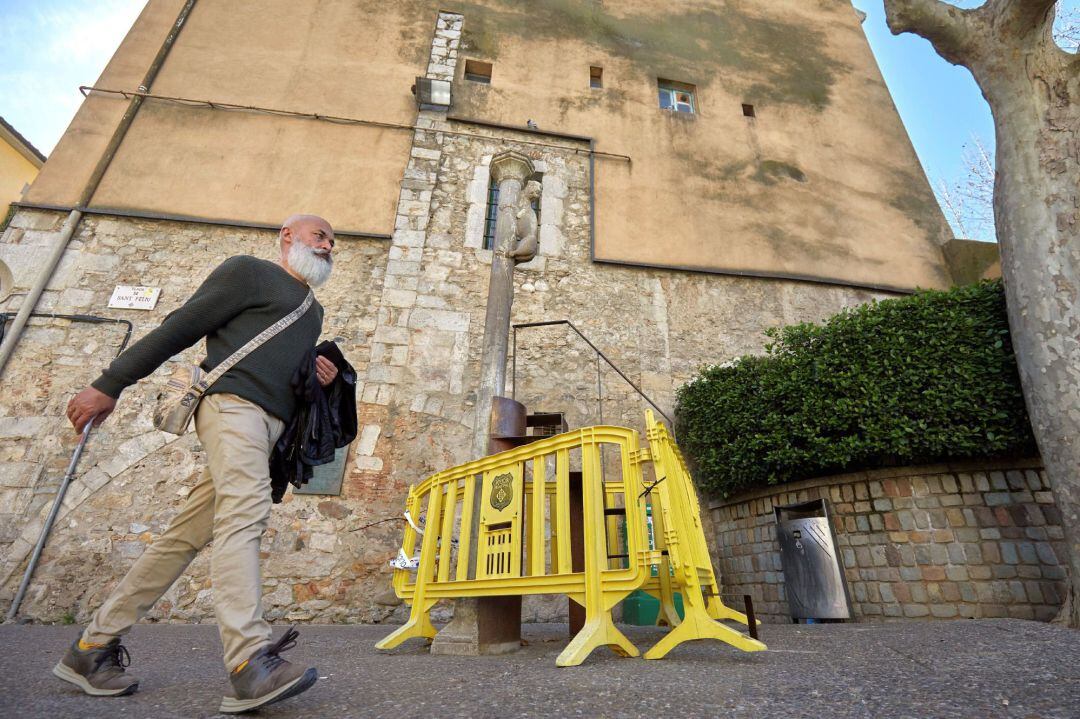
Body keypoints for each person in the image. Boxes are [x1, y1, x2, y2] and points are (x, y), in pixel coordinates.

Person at [55, 214, 340, 714]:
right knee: (245, 514)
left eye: (332, 241)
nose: (328, 244)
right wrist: (110, 382)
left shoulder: (312, 310)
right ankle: (249, 661)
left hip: (268, 430)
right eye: (319, 235)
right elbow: (181, 326)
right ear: (287, 237)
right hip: (233, 409)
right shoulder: (249, 271)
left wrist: (321, 371)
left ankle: (91, 648)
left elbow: (285, 375)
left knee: (181, 539)